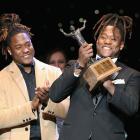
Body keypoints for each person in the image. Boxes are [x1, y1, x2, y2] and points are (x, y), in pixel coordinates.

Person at [48, 13, 140, 140]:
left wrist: (109, 85)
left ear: (121, 45)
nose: (107, 41)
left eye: (113, 39)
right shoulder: (75, 65)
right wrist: (80, 64)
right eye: (104, 37)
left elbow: (131, 108)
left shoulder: (131, 74)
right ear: (97, 40)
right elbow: (55, 95)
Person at [0, 13, 67, 140]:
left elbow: (68, 111)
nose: (25, 50)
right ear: (9, 50)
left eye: (28, 44)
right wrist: (30, 106)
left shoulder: (53, 72)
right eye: (18, 47)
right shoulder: (2, 78)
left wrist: (48, 101)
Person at [46, 48, 70, 138]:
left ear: (66, 64)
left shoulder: (74, 84)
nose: (57, 65)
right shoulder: (43, 85)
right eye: (52, 62)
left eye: (61, 62)